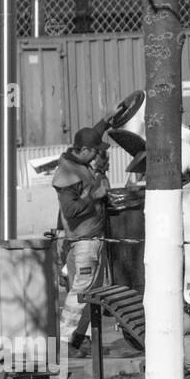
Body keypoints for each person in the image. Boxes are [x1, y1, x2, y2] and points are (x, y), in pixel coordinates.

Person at [53, 128, 110, 359]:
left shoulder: (80, 166)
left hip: (91, 240)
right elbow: (70, 209)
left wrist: (107, 119)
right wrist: (95, 196)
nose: (97, 156)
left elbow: (90, 136)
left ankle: (78, 341)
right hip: (84, 243)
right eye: (95, 151)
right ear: (84, 149)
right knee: (80, 293)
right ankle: (65, 341)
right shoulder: (68, 172)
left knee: (90, 294)